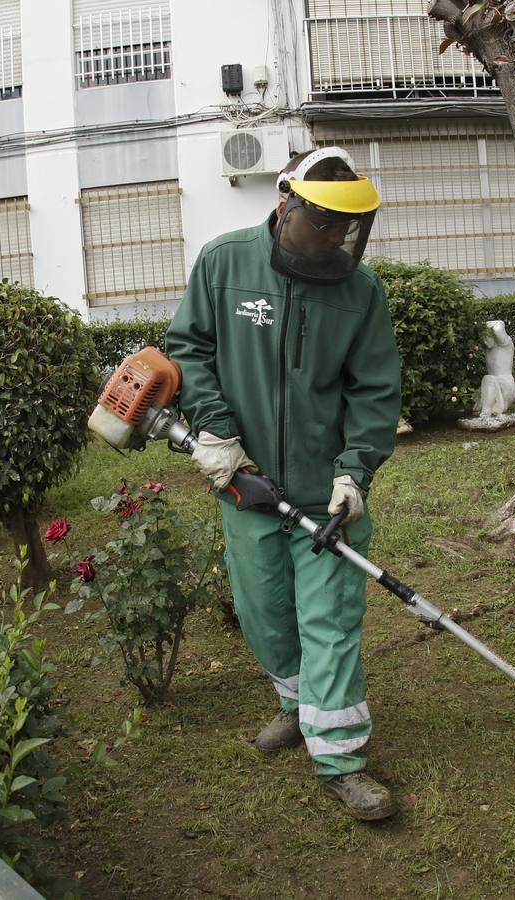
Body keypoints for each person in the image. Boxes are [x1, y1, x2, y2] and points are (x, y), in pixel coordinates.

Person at [165, 147, 403, 820]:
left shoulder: (361, 292)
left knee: (328, 624)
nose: (334, 238)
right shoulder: (224, 263)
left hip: (325, 499)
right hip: (244, 486)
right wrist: (212, 429)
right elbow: (188, 347)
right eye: (322, 222)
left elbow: (376, 390)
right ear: (284, 205)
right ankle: (297, 707)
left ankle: (340, 760)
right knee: (266, 614)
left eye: (345, 227)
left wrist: (354, 470)